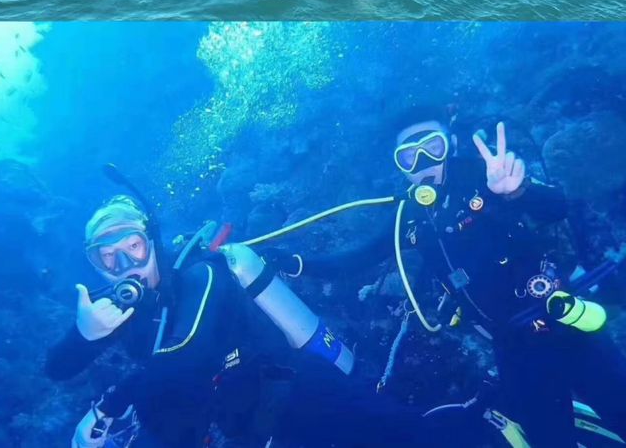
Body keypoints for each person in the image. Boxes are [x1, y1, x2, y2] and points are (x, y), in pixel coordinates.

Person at [273, 116, 626, 447]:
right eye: (409, 156)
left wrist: (518, 191)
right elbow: (357, 258)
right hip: (512, 347)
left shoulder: (488, 176)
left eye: (432, 146)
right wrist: (296, 264)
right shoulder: (410, 219)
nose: (423, 161)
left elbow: (556, 208)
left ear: (451, 143)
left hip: (565, 322)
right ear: (401, 168)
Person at [46, 189, 436, 448]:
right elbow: (57, 368)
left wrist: (114, 401)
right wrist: (83, 335)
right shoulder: (109, 309)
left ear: (152, 244)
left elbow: (186, 359)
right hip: (245, 426)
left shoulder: (204, 275)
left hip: (301, 393)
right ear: (95, 265)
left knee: (413, 436)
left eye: (133, 247)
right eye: (108, 257)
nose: (127, 265)